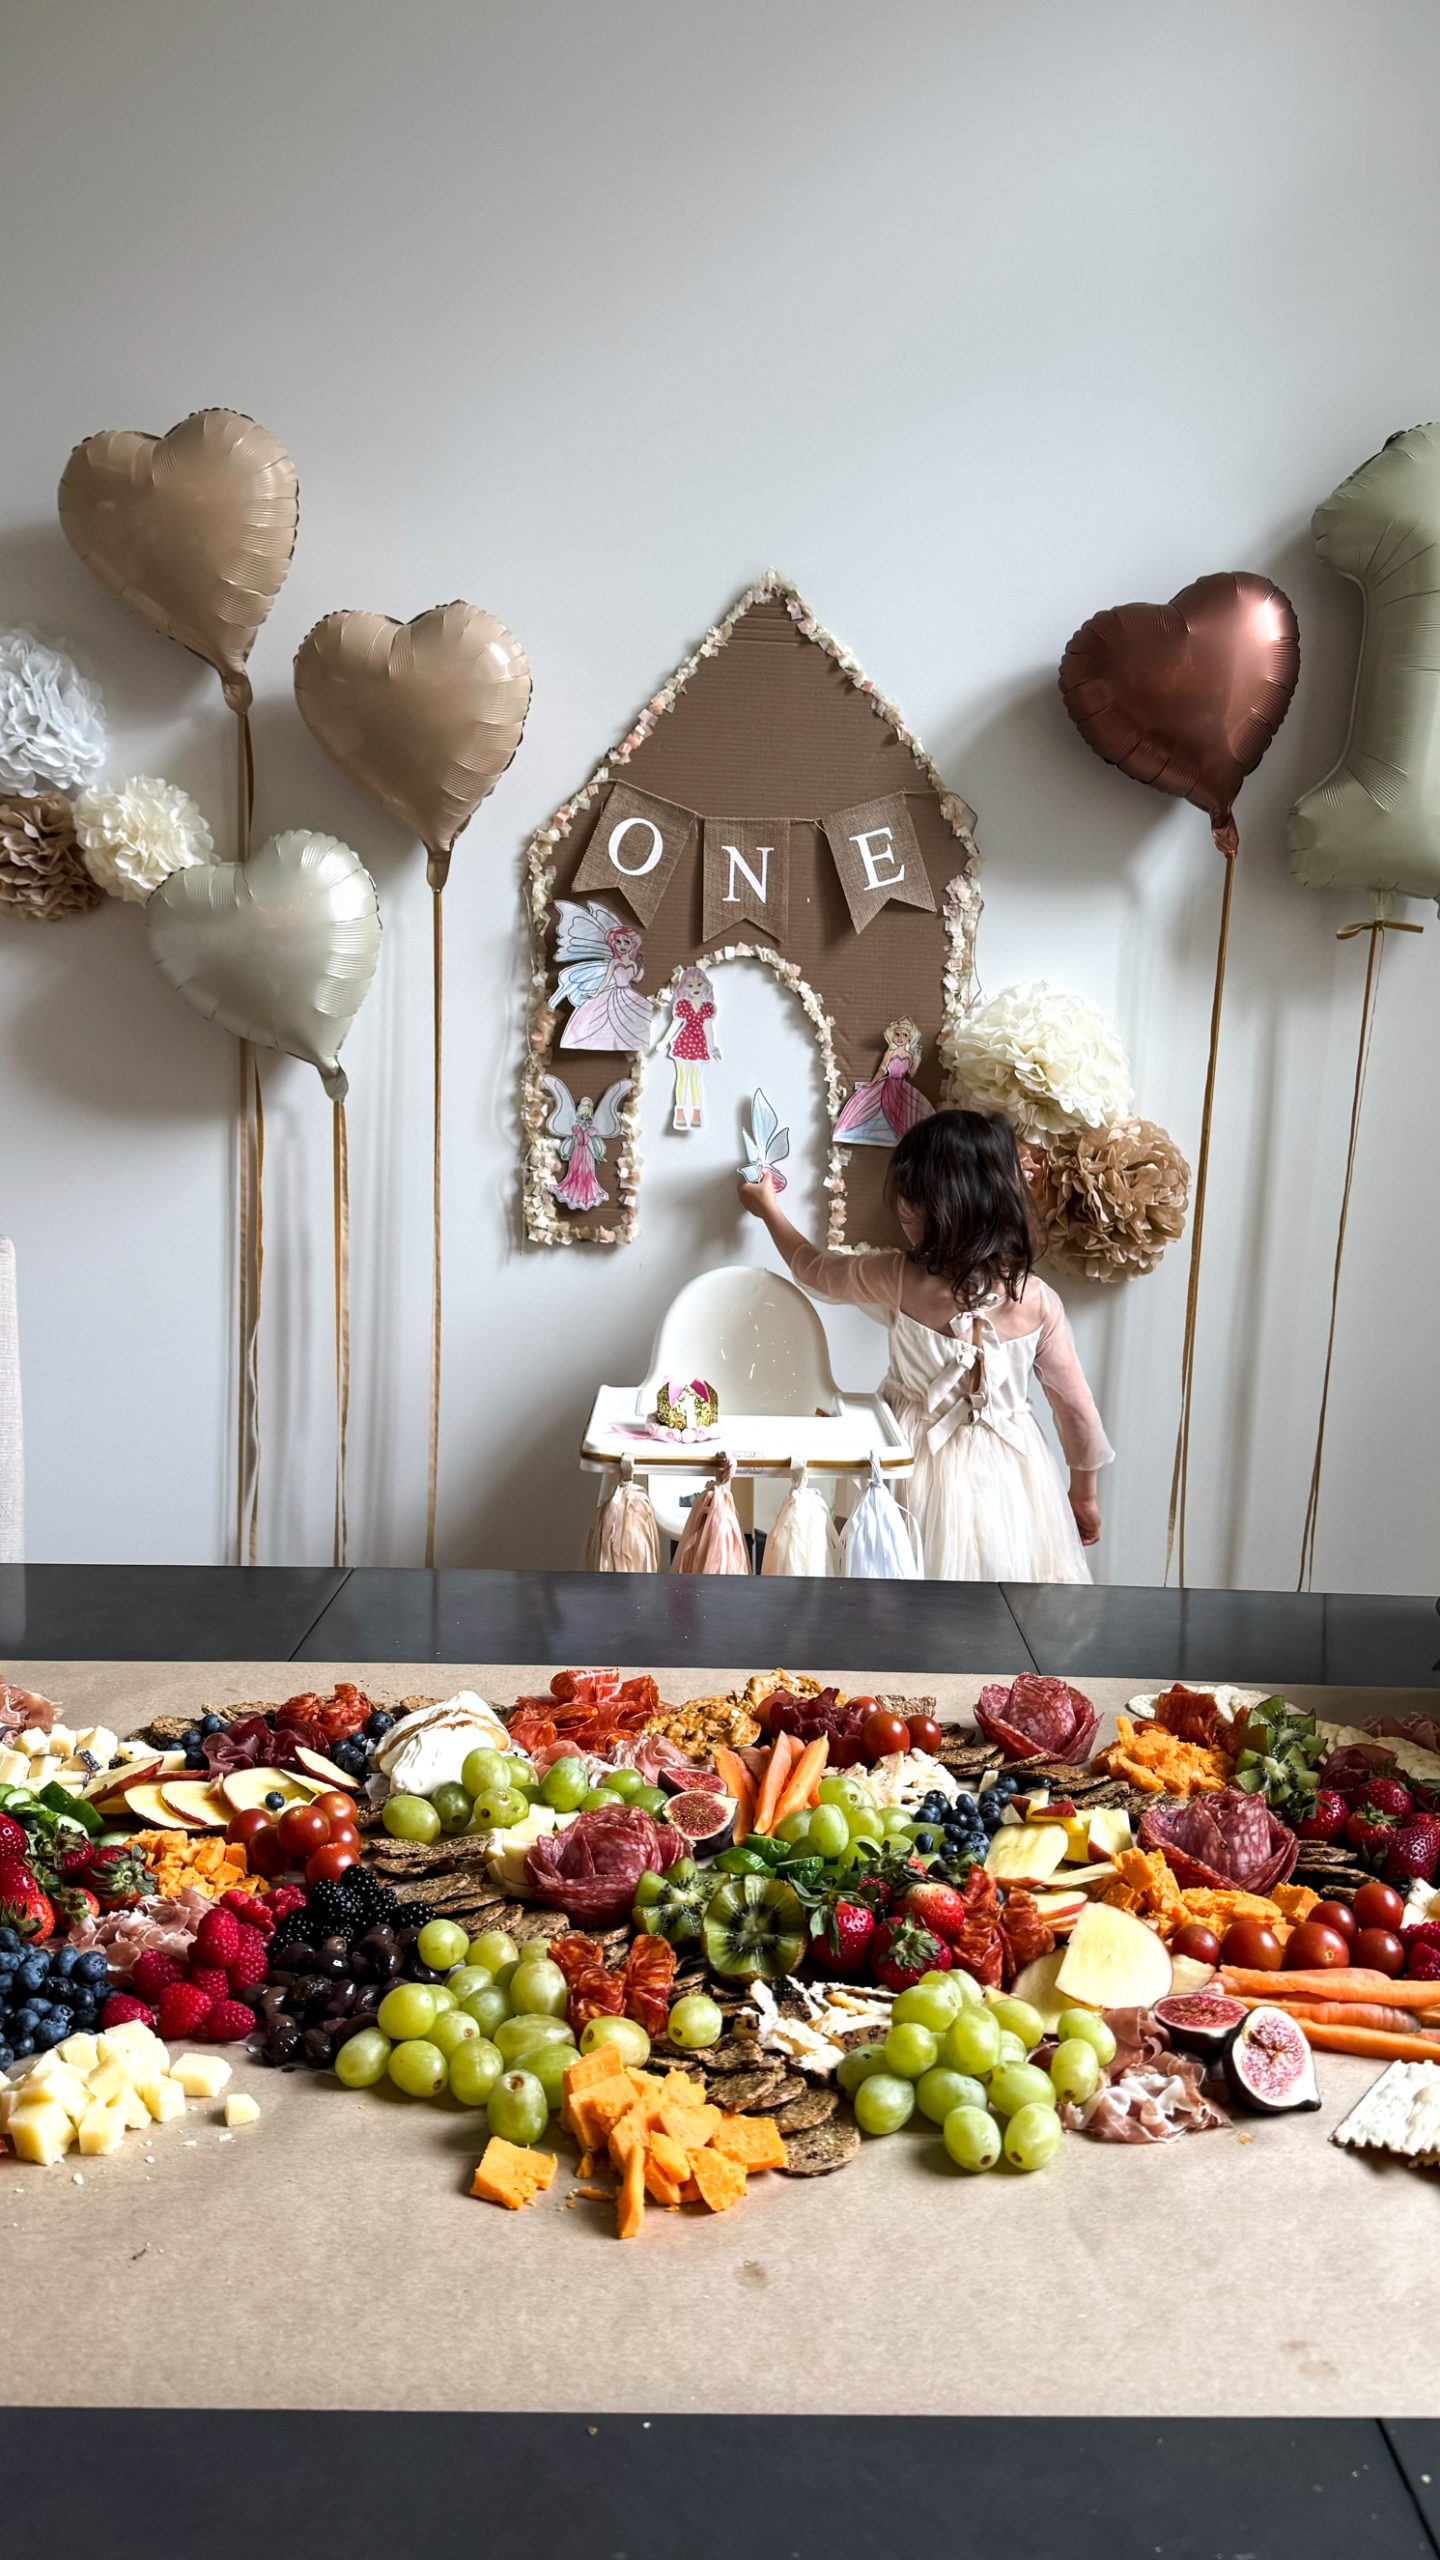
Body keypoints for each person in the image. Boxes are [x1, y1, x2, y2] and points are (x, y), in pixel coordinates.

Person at [738, 1107, 1112, 1581]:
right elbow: (1076, 1410)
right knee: (1007, 1597)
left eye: (910, 1205)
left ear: (943, 1209)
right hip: (1015, 1477)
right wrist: (1084, 1494)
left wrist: (769, 1209)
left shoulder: (897, 1277)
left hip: (910, 1459)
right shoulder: (1036, 1300)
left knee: (906, 1591)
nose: (901, 1215)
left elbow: (816, 1272)